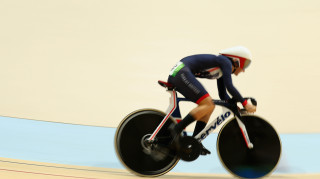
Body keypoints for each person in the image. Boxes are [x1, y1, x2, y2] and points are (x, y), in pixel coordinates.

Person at [167, 46, 257, 155]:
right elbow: (230, 87)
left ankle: (196, 140)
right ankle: (176, 129)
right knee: (207, 104)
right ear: (237, 61)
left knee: (210, 106)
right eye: (245, 64)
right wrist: (245, 103)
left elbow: (223, 94)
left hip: (180, 73)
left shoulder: (221, 66)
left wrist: (233, 104)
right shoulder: (226, 62)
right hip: (181, 73)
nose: (243, 70)